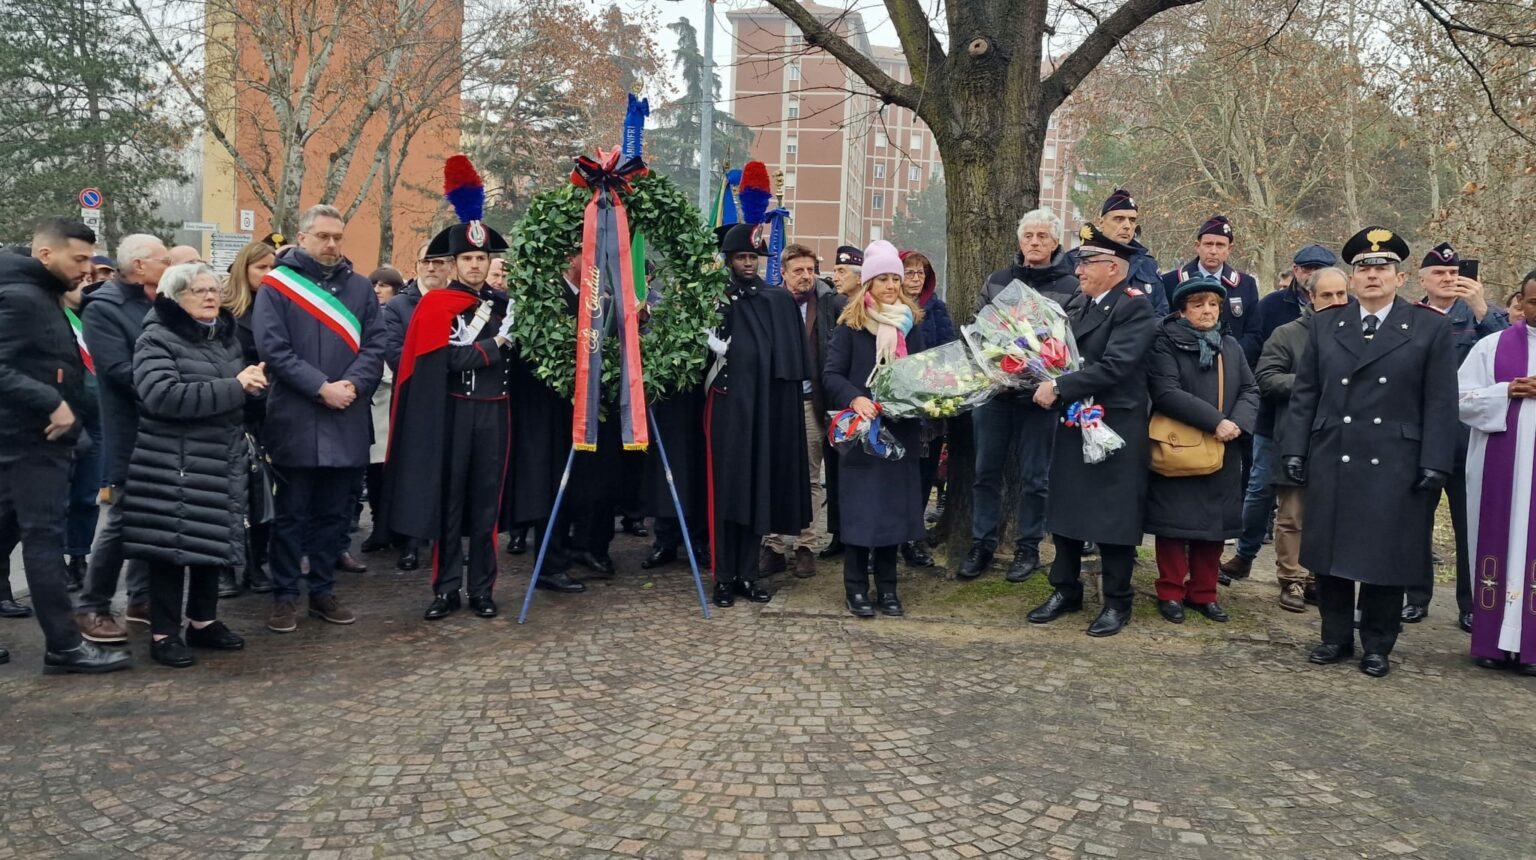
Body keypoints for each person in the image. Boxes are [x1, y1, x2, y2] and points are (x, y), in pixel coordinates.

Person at [1280, 226, 1458, 678]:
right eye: (1363, 268)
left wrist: (1435, 461)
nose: (1373, 275)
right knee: (1331, 553)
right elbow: (1306, 394)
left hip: (1395, 460)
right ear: (1352, 278)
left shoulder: (1430, 327)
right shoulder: (1326, 324)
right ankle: (1335, 637)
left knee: (1386, 556)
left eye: (1383, 267)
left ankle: (1378, 644)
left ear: (1401, 278)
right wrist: (1294, 449)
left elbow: (1441, 402)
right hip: (1334, 452)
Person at [0, 219, 131, 673]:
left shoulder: (37, 291)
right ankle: (64, 646)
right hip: (31, 439)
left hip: (34, 438)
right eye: (78, 259)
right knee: (44, 540)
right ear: (45, 255)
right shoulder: (22, 296)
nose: (87, 269)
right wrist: (52, 402)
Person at [121, 263, 265, 667]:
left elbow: (233, 393)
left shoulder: (223, 337)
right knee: (170, 550)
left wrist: (253, 390)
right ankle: (164, 634)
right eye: (199, 291)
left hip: (219, 456)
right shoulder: (156, 338)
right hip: (172, 461)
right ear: (174, 298)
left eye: (214, 289)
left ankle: (203, 621)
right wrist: (235, 387)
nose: (210, 296)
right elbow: (162, 396)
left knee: (210, 542)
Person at [387, 161, 513, 621]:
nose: (475, 265)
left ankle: (482, 588)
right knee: (451, 503)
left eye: (482, 258)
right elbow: (445, 363)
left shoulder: (505, 306)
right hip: (455, 412)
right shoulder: (437, 305)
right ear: (453, 264)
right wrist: (496, 345)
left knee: (486, 507)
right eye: (467, 259)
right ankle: (445, 589)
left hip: (495, 413)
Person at [253, 204, 386, 633]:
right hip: (296, 416)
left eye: (337, 237)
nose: (331, 244)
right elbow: (274, 349)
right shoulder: (277, 286)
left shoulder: (360, 288)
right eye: (323, 236)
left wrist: (352, 385)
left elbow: (375, 345)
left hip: (346, 413)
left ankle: (323, 591)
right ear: (303, 237)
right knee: (291, 515)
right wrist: (320, 387)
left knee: (334, 515)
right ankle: (284, 596)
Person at [1027, 223, 1157, 637]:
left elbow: (1116, 366)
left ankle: (1117, 601)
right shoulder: (1081, 305)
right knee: (1066, 509)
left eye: (1086, 262)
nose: (1078, 270)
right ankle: (1065, 589)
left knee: (1113, 518)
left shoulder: (1133, 307)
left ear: (1113, 267)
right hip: (1075, 422)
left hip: (1114, 427)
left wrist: (1058, 387)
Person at [963, 209, 1080, 581]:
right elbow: (978, 328)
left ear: (1055, 242)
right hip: (995, 393)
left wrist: (1047, 373)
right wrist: (996, 364)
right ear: (1019, 240)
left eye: (1042, 236)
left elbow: (1072, 341)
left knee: (1035, 478)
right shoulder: (998, 281)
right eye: (1028, 235)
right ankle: (982, 543)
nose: (1034, 242)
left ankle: (1028, 548)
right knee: (985, 472)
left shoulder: (1072, 285)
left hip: (1041, 398)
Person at [1403, 242, 1509, 627]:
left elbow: (1510, 354)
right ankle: (1416, 597)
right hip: (1422, 433)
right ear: (1422, 280)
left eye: (1454, 273)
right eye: (1439, 273)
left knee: (1469, 524)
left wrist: (1481, 307)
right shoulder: (1409, 316)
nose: (1448, 279)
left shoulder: (1482, 315)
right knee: (1416, 521)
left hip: (1468, 435)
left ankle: (1471, 604)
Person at [706, 224, 811, 607]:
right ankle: (723, 577)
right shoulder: (714, 298)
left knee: (756, 491)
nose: (748, 263)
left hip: (764, 412)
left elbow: (791, 364)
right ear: (728, 260)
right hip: (728, 409)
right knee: (727, 493)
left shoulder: (776, 300)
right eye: (741, 257)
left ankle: (748, 574)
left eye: (753, 257)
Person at [1144, 276, 1260, 624]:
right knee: (1173, 526)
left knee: (1213, 527)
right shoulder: (1164, 342)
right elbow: (1166, 392)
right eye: (1198, 305)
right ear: (1182, 311)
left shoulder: (1230, 345)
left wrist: (1237, 422)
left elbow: (1250, 389)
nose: (1207, 311)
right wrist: (1215, 421)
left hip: (1224, 448)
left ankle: (1204, 593)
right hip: (1178, 447)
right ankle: (1170, 591)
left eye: (1212, 304)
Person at [824, 240, 928, 617]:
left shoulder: (910, 325)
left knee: (893, 513)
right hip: (863, 435)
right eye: (882, 279)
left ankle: (888, 588)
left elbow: (919, 373)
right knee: (861, 511)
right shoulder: (850, 326)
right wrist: (855, 398)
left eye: (895, 279)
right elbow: (831, 375)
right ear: (868, 283)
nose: (890, 286)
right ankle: (855, 588)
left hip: (900, 432)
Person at [74, 233, 168, 644]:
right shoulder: (104, 308)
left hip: (162, 425)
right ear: (140, 265)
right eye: (164, 260)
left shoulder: (156, 302)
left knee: (154, 515)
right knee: (124, 517)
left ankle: (140, 599)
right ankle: (92, 605)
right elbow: (118, 370)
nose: (169, 267)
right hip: (129, 428)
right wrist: (172, 384)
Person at [1258, 266, 1350, 611]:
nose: (1335, 301)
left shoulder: (1361, 333)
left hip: (1342, 438)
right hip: (1296, 435)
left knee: (1329, 515)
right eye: (1327, 295)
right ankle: (1292, 579)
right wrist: (1310, 382)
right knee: (1293, 514)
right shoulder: (1287, 334)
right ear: (1311, 296)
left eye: (1341, 294)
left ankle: (1316, 578)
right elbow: (1266, 378)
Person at [1458, 276, 1536, 673]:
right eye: (1535, 302)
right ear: (1520, 300)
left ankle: (1532, 647)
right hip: (1498, 467)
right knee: (1496, 541)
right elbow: (1460, 399)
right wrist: (1503, 391)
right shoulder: (1492, 346)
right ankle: (1491, 640)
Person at [761, 243, 840, 578]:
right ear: (783, 273)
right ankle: (773, 545)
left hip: (811, 401)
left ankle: (806, 545)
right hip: (777, 403)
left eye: (811, 270)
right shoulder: (768, 302)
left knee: (810, 476)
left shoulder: (828, 304)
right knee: (775, 472)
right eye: (799, 270)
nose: (807, 276)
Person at [380, 243, 449, 571]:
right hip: (415, 401)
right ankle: (411, 542)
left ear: (449, 266)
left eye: (439, 262)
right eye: (426, 261)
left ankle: (447, 541)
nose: (432, 268)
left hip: (453, 400)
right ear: (417, 264)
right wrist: (444, 366)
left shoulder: (461, 302)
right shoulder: (398, 306)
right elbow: (395, 353)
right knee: (414, 474)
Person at [224, 240, 276, 594]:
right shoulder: (226, 311)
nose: (268, 274)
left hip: (268, 410)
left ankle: (256, 563)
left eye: (273, 268)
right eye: (261, 267)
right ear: (244, 270)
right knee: (230, 493)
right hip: (232, 408)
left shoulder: (279, 308)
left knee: (262, 493)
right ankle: (226, 566)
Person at [898, 249, 952, 569]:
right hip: (894, 407)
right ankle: (885, 538)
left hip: (928, 410)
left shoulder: (936, 309)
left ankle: (913, 539)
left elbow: (948, 351)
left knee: (922, 476)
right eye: (910, 272)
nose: (916, 279)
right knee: (893, 476)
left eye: (921, 273)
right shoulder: (886, 309)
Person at [1161, 215, 1263, 365]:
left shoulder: (1246, 284)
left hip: (1231, 365)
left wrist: (1227, 356)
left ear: (1229, 249)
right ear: (1197, 246)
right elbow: (1164, 328)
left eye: (1220, 245)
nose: (1213, 251)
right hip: (1184, 364)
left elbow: (1254, 334)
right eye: (1208, 244)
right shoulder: (1171, 281)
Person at [1068, 189, 1168, 315]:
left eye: (1132, 220)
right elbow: (1068, 308)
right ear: (1101, 223)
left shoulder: (1148, 265)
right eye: (1119, 219)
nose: (1127, 226)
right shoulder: (1074, 259)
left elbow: (1161, 313)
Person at [61, 277, 100, 593]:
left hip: (97, 418)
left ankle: (78, 555)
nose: (84, 285)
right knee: (57, 496)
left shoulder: (94, 316)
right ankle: (54, 560)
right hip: (62, 417)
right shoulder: (50, 316)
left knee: (87, 494)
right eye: (79, 280)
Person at [361, 268, 404, 553]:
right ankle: (379, 524)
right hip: (375, 401)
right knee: (375, 467)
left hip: (396, 398)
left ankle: (398, 525)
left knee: (396, 467)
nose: (378, 290)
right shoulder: (365, 314)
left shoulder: (399, 313)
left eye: (384, 285)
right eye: (374, 284)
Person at [1252, 244, 1337, 355]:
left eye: (1319, 269)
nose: (1313, 274)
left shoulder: (1347, 304)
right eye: (1307, 268)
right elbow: (1255, 347)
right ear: (1295, 270)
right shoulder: (1270, 305)